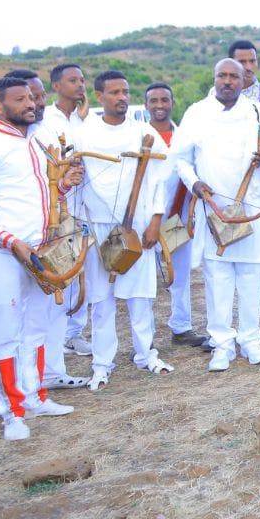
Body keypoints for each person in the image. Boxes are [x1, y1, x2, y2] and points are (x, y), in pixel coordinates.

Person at [0, 76, 80, 440]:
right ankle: (11, 410)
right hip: (4, 253)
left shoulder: (36, 140)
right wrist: (12, 242)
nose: (30, 104)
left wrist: (64, 186)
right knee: (4, 331)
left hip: (40, 249)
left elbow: (41, 194)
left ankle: (34, 396)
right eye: (20, 100)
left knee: (36, 325)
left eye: (31, 98)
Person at [71, 71, 173, 390]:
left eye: (125, 91)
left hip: (140, 224)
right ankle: (102, 363)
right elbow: (76, 181)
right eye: (114, 92)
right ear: (100, 96)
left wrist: (155, 221)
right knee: (102, 300)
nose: (122, 97)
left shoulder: (143, 131)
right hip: (101, 226)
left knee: (140, 296)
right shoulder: (84, 133)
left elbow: (159, 181)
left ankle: (146, 355)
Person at [172, 59, 260, 371]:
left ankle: (250, 341)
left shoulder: (259, 111)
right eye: (222, 75)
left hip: (251, 208)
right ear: (214, 78)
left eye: (235, 76)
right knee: (217, 278)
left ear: (245, 80)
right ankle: (222, 344)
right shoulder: (196, 112)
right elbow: (181, 159)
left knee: (251, 277)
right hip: (212, 206)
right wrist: (195, 183)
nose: (228, 81)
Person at [5, 68, 90, 390]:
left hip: (55, 229)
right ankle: (19, 386)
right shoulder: (3, 143)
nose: (36, 103)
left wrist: (66, 184)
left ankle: (50, 374)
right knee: (21, 316)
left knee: (54, 306)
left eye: (38, 96)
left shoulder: (46, 132)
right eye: (28, 97)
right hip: (17, 241)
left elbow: (54, 186)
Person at [143, 81, 207, 350]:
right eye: (154, 101)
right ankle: (143, 339)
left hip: (178, 215)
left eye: (164, 100)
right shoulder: (139, 136)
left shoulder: (184, 135)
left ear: (172, 102)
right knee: (144, 280)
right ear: (146, 105)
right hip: (145, 218)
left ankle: (181, 328)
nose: (160, 105)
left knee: (179, 273)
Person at [36, 63, 93, 358]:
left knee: (81, 269)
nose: (80, 86)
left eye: (82, 80)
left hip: (86, 204)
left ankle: (74, 333)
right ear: (56, 86)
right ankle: (55, 338)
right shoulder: (46, 122)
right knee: (62, 268)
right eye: (73, 81)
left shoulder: (86, 120)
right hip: (60, 204)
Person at [228, 39, 260, 106]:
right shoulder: (216, 92)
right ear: (230, 63)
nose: (248, 67)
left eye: (252, 61)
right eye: (242, 62)